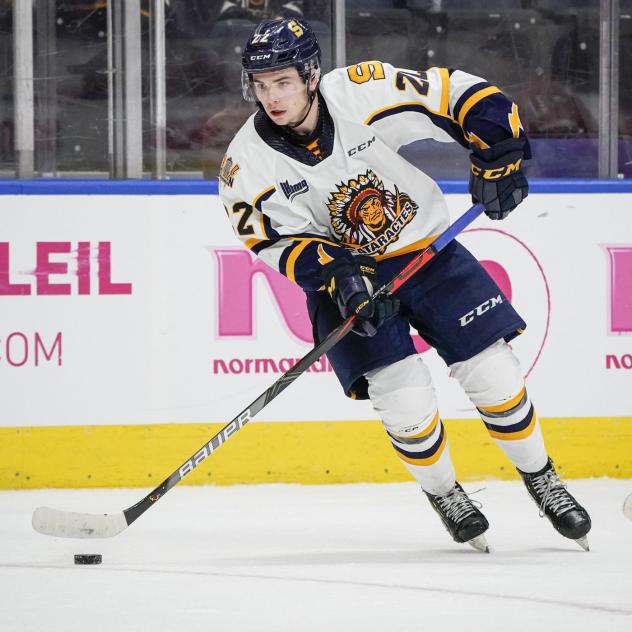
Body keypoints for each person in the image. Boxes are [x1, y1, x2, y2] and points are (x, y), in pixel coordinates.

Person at [218, 17, 592, 551]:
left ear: (310, 74)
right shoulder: (244, 165)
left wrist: (498, 153)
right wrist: (338, 273)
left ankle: (543, 479)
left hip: (429, 254)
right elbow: (272, 242)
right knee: (404, 402)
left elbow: (460, 94)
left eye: (283, 81)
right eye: (261, 85)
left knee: (496, 377)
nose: (272, 97)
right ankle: (446, 494)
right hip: (349, 282)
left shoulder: (360, 93)